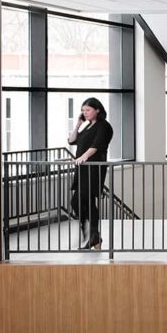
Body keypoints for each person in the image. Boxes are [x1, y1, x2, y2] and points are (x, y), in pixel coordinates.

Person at [68, 98, 114, 250]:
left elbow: (98, 144)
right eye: (83, 110)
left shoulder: (104, 126)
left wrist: (84, 157)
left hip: (93, 168)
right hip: (82, 168)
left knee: (84, 199)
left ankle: (92, 234)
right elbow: (72, 140)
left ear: (97, 110)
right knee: (78, 201)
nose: (85, 113)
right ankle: (93, 235)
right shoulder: (88, 126)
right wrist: (78, 124)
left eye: (87, 110)